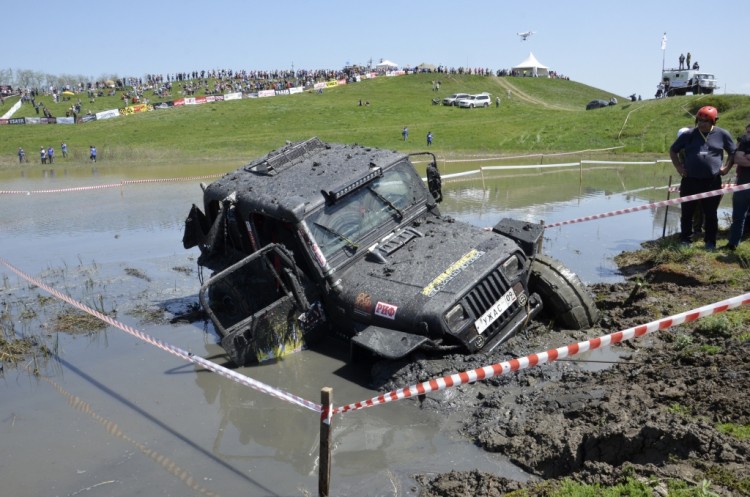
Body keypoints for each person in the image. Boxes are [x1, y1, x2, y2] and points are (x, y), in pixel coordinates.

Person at [669, 106, 736, 249]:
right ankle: (685, 239)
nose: (702, 123)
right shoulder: (689, 134)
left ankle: (710, 241)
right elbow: (673, 150)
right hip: (690, 180)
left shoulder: (722, 134)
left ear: (714, 121)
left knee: (711, 213)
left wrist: (726, 167)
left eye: (706, 121)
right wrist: (679, 167)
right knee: (687, 212)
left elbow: (733, 152)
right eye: (699, 120)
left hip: (712, 181)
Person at [722, 123, 750, 250]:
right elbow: (738, 159)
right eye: (747, 131)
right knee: (738, 215)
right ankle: (733, 243)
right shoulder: (744, 141)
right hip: (743, 183)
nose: (748, 134)